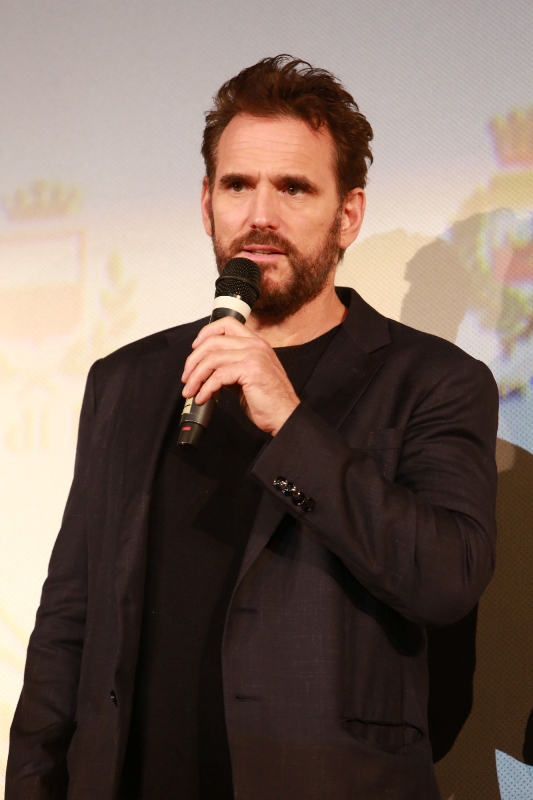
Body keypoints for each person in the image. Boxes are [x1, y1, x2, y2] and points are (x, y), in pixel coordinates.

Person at [6, 56, 498, 800]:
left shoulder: (433, 381)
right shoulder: (128, 379)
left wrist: (290, 421)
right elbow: (69, 622)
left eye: (293, 188)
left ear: (348, 214)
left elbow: (445, 579)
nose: (260, 215)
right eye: (238, 185)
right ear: (207, 203)